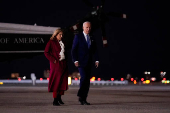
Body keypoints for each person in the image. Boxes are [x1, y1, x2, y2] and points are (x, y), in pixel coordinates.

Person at [71, 21, 99, 105]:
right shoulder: (78, 36)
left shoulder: (92, 37)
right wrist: (75, 60)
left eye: (89, 27)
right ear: (83, 28)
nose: (88, 29)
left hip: (89, 62)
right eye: (87, 27)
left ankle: (84, 98)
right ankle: (80, 96)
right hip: (81, 62)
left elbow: (95, 50)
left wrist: (97, 60)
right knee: (83, 77)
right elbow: (73, 50)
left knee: (87, 81)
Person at [44, 29, 68, 106]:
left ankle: (59, 98)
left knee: (62, 81)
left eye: (62, 35)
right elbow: (46, 52)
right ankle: (55, 100)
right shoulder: (51, 42)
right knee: (56, 82)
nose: (61, 36)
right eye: (60, 34)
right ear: (56, 34)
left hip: (63, 64)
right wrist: (53, 60)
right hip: (56, 64)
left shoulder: (62, 42)